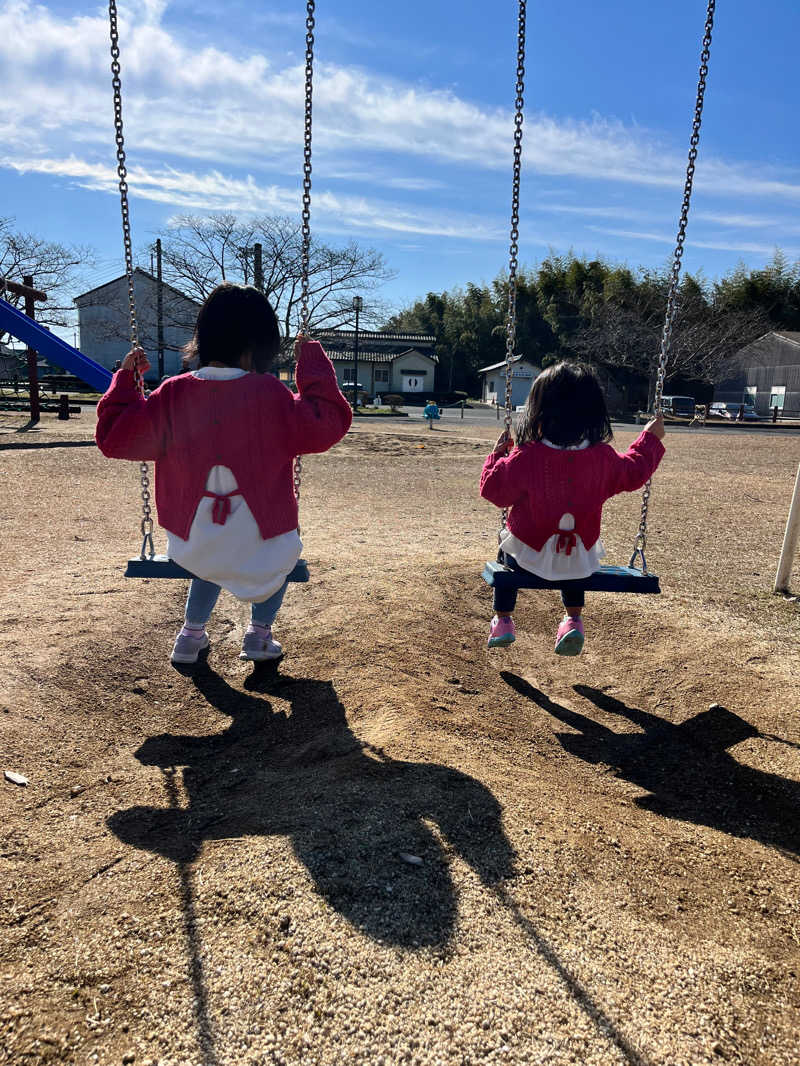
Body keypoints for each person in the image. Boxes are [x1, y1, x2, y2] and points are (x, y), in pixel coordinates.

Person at [96, 283, 352, 666]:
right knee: (282, 556)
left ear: (204, 339)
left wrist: (126, 382)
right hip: (260, 543)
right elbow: (326, 422)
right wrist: (312, 363)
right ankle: (259, 637)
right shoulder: (270, 393)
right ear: (260, 344)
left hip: (191, 544)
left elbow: (116, 438)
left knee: (212, 553)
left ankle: (190, 636)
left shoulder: (172, 393)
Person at [479, 361, 665, 656]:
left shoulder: (526, 457)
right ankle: (573, 621)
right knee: (574, 562)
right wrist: (650, 438)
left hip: (527, 559)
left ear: (538, 412)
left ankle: (503, 621)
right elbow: (634, 471)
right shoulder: (602, 458)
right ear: (593, 414)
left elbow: (494, 491)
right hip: (579, 563)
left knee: (505, 551)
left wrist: (496, 456)